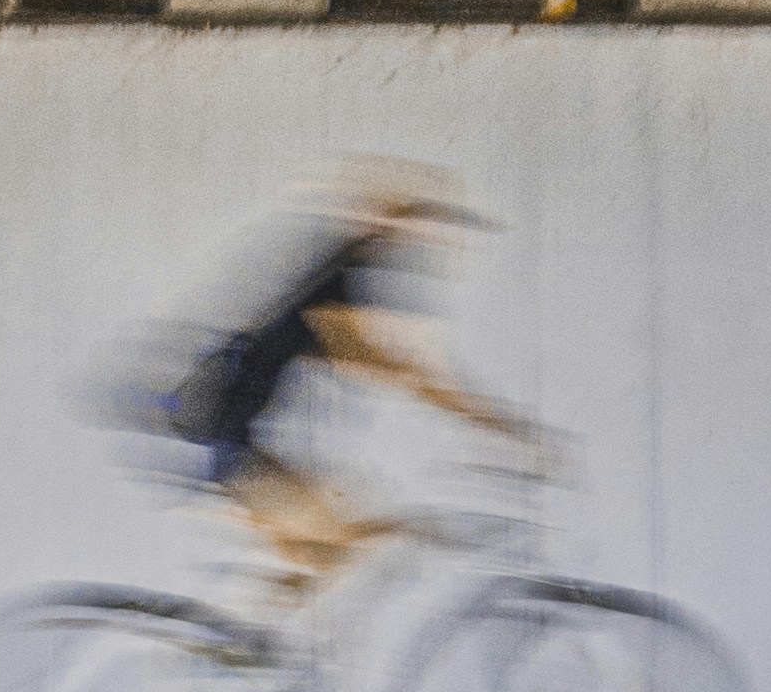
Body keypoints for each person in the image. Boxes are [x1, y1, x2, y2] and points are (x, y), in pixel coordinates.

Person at [146, 167, 527, 600]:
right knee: (340, 541)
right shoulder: (333, 286)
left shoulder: (331, 279)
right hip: (218, 440)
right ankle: (237, 630)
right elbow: (395, 370)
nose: (428, 238)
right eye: (416, 220)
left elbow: (389, 364)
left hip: (219, 436)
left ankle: (250, 627)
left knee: (332, 548)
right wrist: (494, 425)